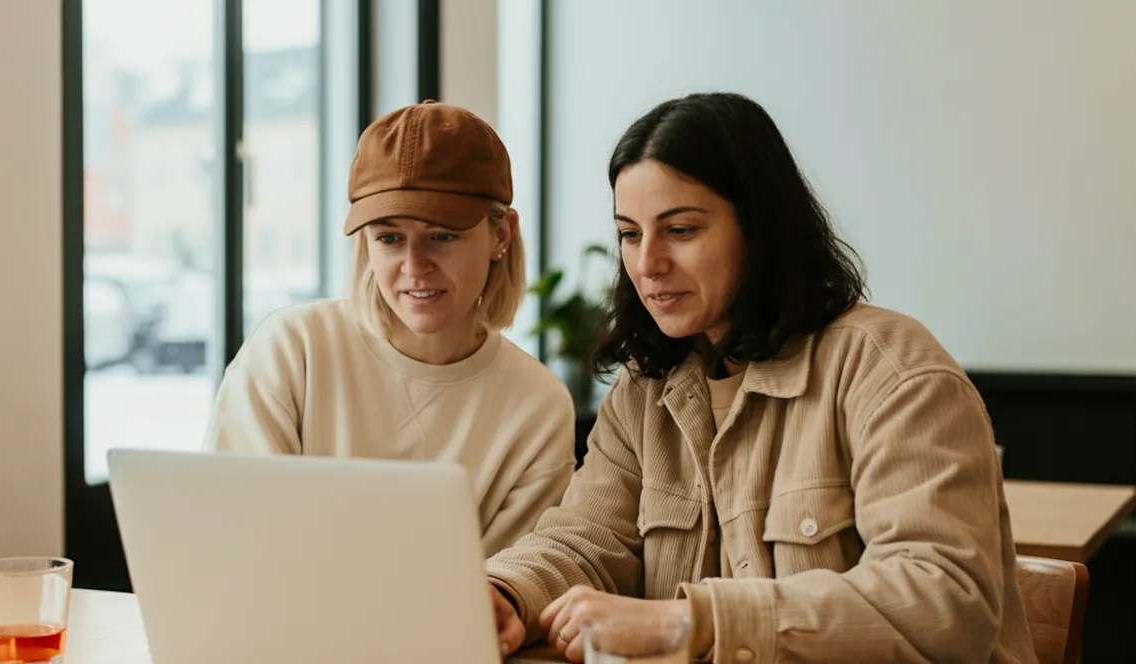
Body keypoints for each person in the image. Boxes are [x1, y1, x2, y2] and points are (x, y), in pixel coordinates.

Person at [486, 93, 1038, 663]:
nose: (647, 263)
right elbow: (585, 540)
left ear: (759, 229)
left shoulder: (893, 372)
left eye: (680, 230)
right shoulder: (642, 392)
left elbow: (943, 599)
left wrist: (690, 622)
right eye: (629, 234)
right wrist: (506, 593)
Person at [203, 101, 576, 557]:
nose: (414, 266)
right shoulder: (293, 351)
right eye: (389, 238)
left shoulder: (538, 407)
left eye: (442, 235)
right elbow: (230, 539)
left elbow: (496, 597)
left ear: (501, 235)